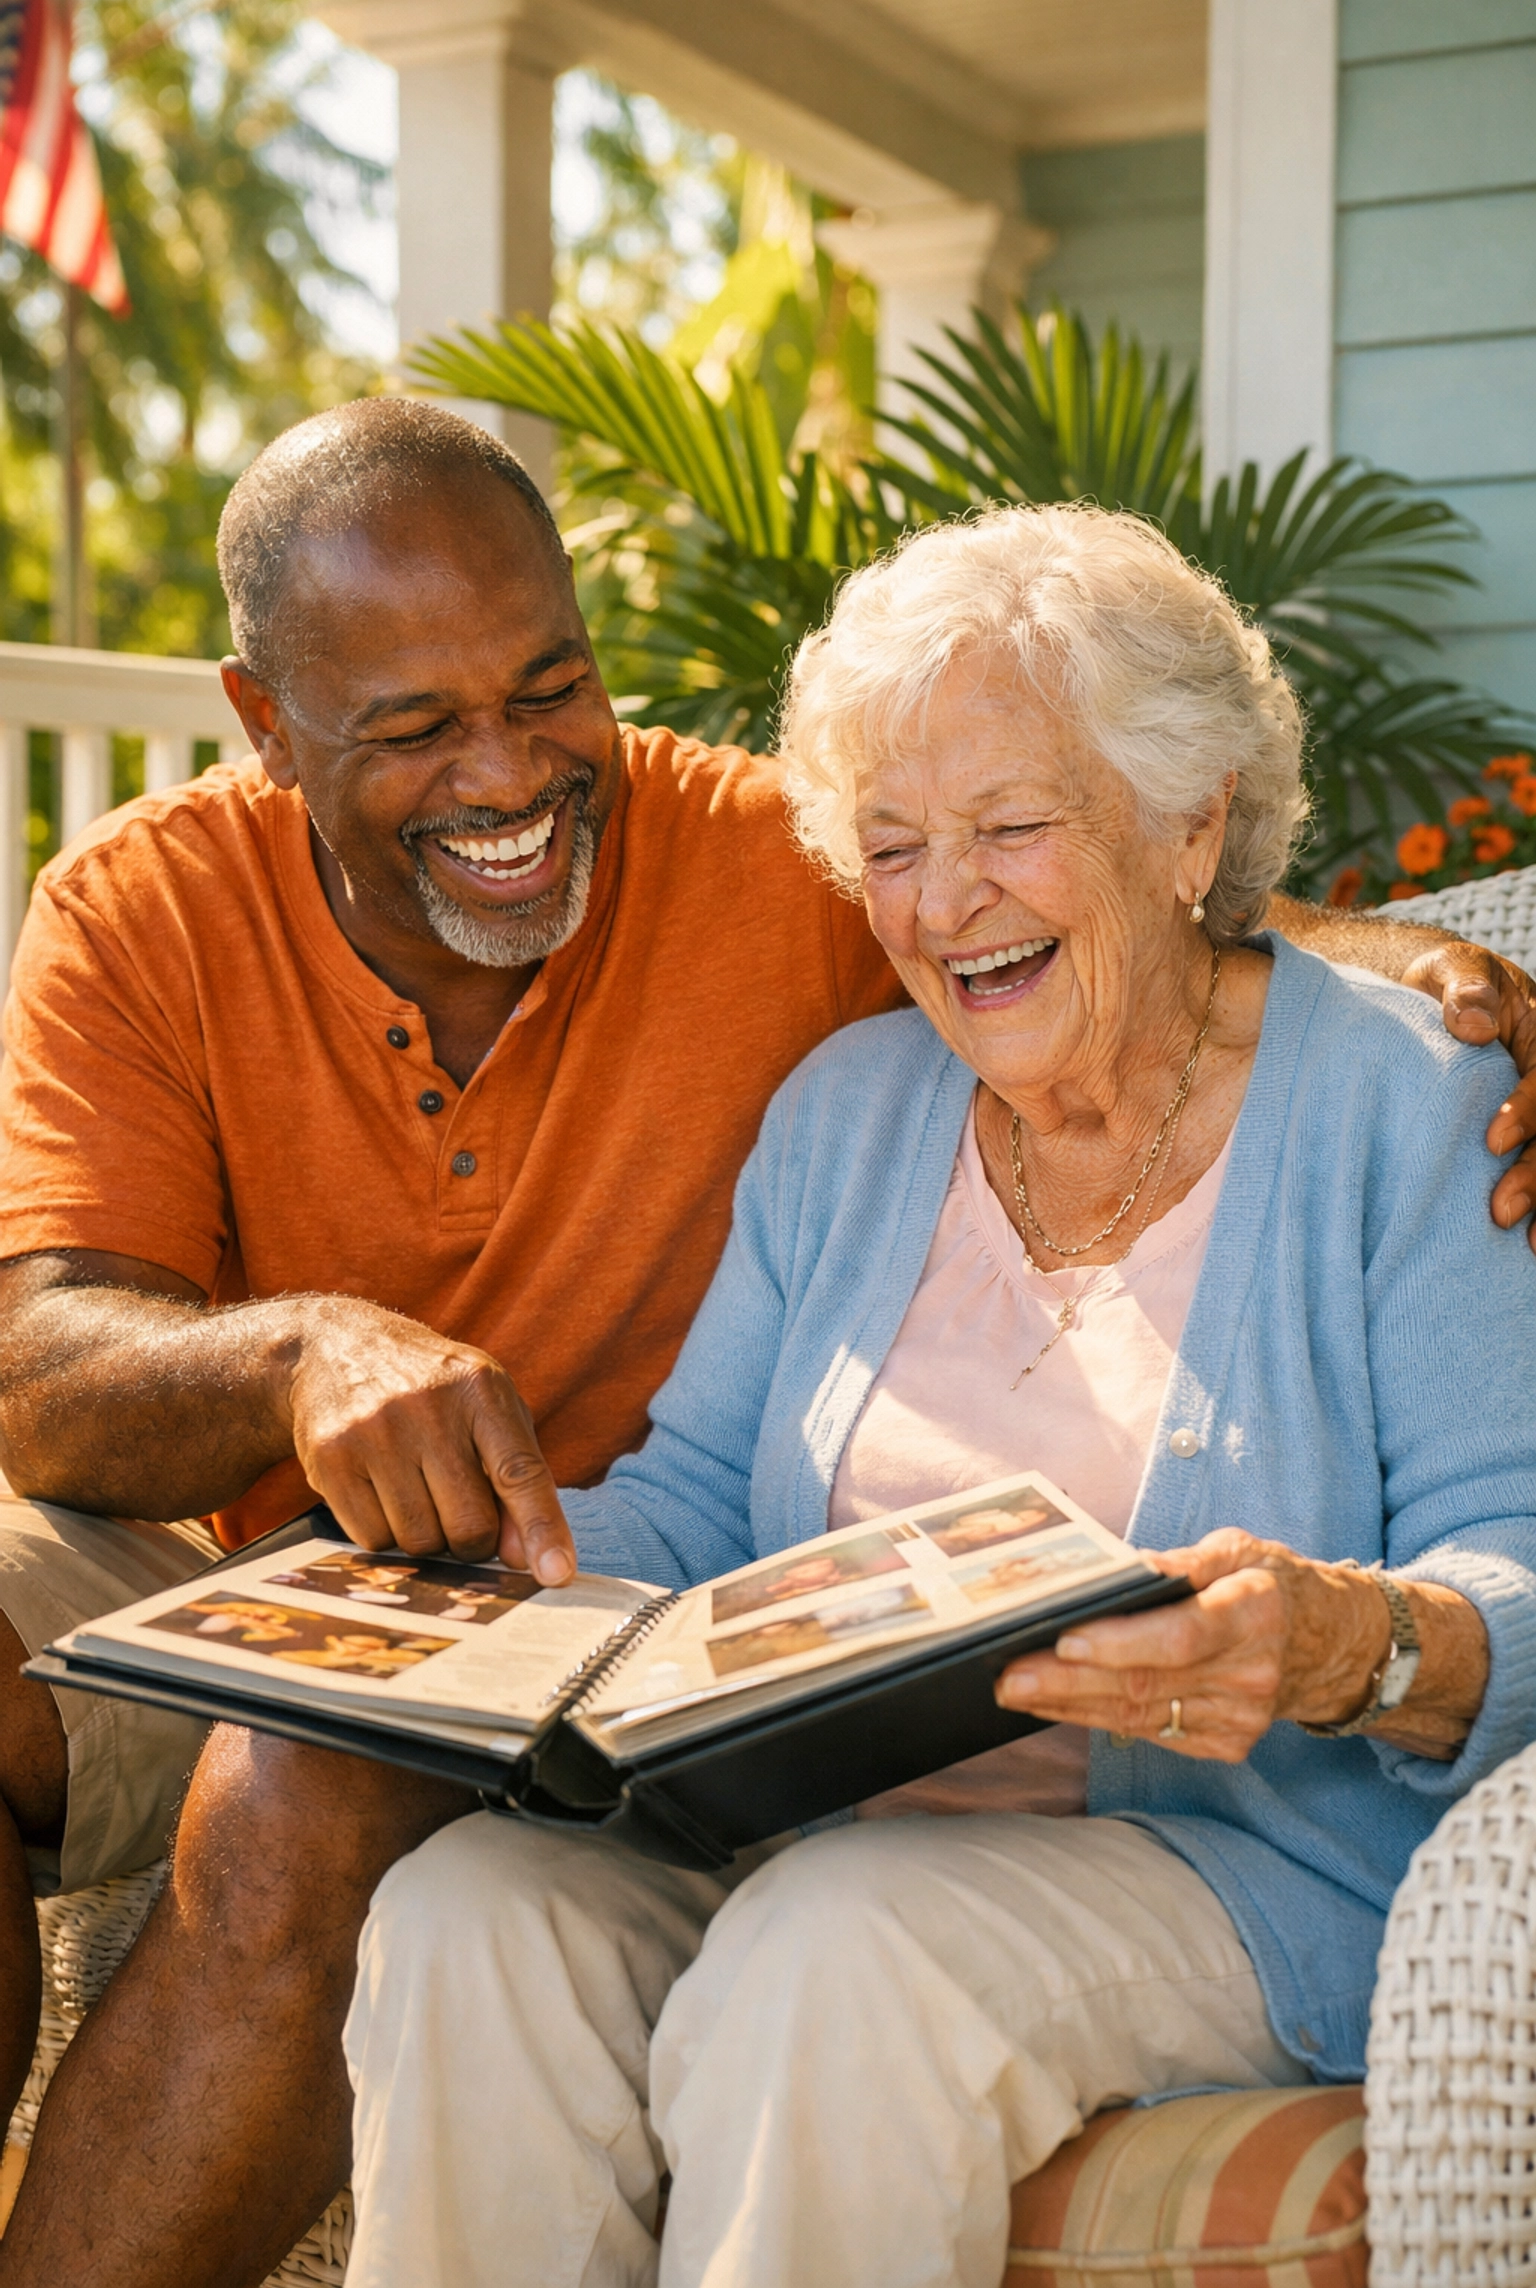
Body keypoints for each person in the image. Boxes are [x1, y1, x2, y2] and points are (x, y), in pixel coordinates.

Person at [0, 421, 1528, 2288]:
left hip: (1223, 1851)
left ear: (1189, 818)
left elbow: (1509, 1560)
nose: (944, 899)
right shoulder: (859, 1103)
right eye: (892, 847)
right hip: (794, 1810)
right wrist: (484, 1617)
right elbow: (704, 1495)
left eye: (1013, 829)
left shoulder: (1409, 1109)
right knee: (478, 1912)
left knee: (834, 1950)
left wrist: (1346, 1637)